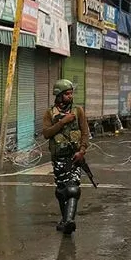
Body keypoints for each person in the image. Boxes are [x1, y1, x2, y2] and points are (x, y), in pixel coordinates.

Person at [42, 79, 90, 235]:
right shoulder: (50, 113)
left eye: (71, 93)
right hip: (59, 158)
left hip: (74, 156)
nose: (70, 96)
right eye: (67, 94)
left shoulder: (78, 111)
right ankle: (65, 220)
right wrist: (62, 122)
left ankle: (69, 220)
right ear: (59, 95)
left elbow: (85, 133)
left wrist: (82, 150)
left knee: (73, 189)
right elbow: (46, 133)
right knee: (61, 190)